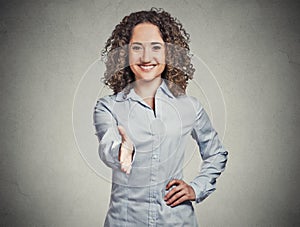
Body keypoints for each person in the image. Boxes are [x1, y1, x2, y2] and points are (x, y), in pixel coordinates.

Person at [93, 8, 228, 226]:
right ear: (124, 53)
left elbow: (216, 153)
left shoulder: (189, 106)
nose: (146, 57)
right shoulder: (108, 107)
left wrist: (197, 188)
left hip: (177, 221)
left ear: (169, 53)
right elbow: (108, 146)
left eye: (156, 47)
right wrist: (123, 152)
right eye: (137, 48)